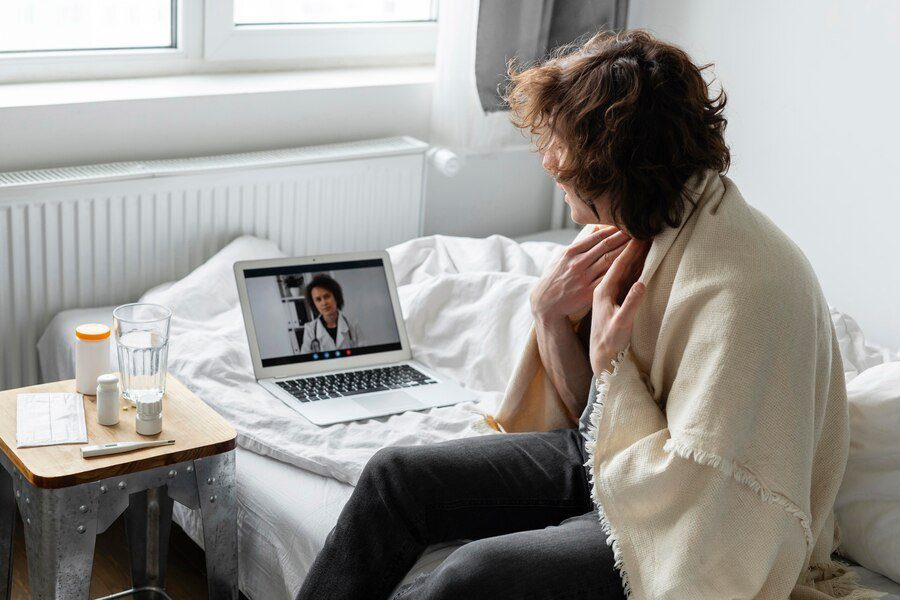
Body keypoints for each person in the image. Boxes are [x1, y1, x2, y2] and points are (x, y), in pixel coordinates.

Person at [298, 29, 857, 600]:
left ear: (614, 167)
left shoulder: (740, 288)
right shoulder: (643, 227)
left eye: (561, 149)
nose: (547, 161)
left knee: (472, 576)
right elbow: (590, 427)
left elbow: (708, 510)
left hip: (686, 519)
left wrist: (610, 361)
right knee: (394, 478)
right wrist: (548, 317)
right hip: (621, 462)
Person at [299, 274, 361, 354]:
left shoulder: (353, 325)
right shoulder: (310, 330)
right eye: (318, 299)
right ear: (314, 304)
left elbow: (365, 355)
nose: (324, 303)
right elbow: (306, 361)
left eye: (327, 296)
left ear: (336, 297)